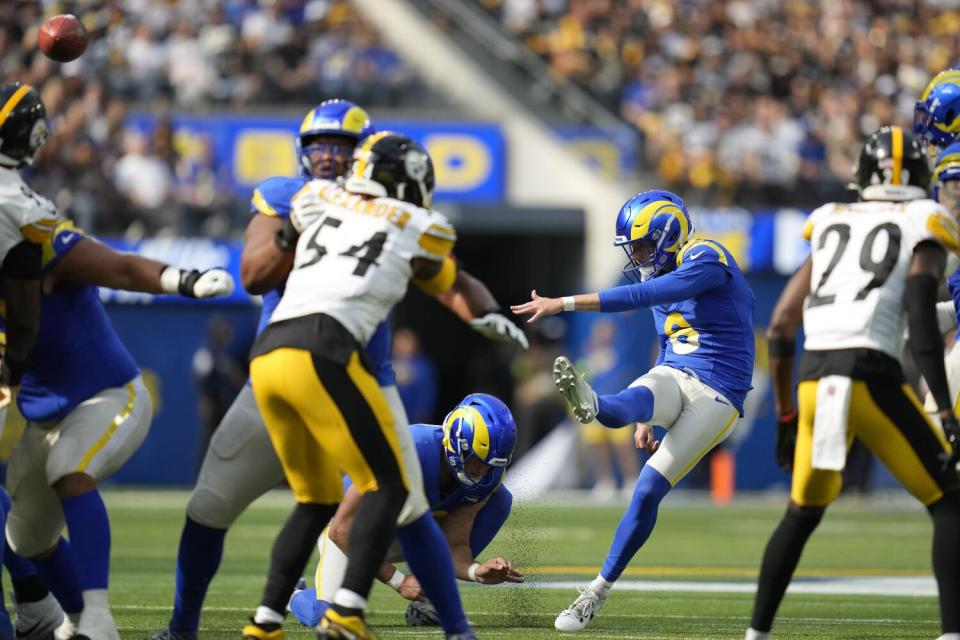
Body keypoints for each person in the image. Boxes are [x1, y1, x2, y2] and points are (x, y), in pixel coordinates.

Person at [148, 100, 527, 640]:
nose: (327, 157)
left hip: (348, 370)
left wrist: (486, 312)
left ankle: (276, 620)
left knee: (363, 500)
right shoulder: (307, 199)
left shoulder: (315, 201)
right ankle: (281, 617)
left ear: (364, 158)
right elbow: (253, 275)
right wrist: (295, 227)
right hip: (318, 358)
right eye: (317, 147)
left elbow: (455, 282)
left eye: (341, 148)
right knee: (216, 504)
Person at [250, 131, 496, 640]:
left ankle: (264, 622)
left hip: (270, 353)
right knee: (383, 487)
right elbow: (449, 281)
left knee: (316, 500)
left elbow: (261, 261)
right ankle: (337, 611)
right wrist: (486, 314)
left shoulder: (312, 196)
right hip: (326, 352)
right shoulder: (415, 221)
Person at [745, 126, 960, 640]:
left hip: (814, 380)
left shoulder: (830, 220)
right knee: (950, 501)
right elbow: (920, 316)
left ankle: (756, 635)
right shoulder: (922, 219)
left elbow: (779, 325)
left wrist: (785, 414)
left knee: (802, 511)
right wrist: (947, 409)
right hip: (869, 373)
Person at [511, 189, 755, 632]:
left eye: (642, 245)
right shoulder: (659, 272)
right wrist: (646, 417)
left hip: (719, 388)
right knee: (635, 397)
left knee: (645, 490)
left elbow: (648, 295)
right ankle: (596, 405)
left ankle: (595, 592)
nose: (637, 255)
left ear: (669, 235)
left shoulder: (707, 255)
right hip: (677, 368)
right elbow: (665, 346)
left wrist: (562, 303)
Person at [3, 218, 233, 640]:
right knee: (25, 536)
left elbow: (121, 268)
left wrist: (184, 281)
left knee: (69, 467)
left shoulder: (42, 242)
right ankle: (75, 618)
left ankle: (97, 616)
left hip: (105, 393)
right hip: (43, 415)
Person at [288, 393, 521, 629]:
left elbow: (454, 545)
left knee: (499, 501)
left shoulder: (488, 476)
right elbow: (342, 530)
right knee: (328, 621)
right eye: (477, 462)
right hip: (351, 528)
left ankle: (426, 599)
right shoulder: (407, 449)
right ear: (456, 443)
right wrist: (398, 581)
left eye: (491, 465)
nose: (482, 472)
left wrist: (475, 571)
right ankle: (294, 595)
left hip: (404, 528)